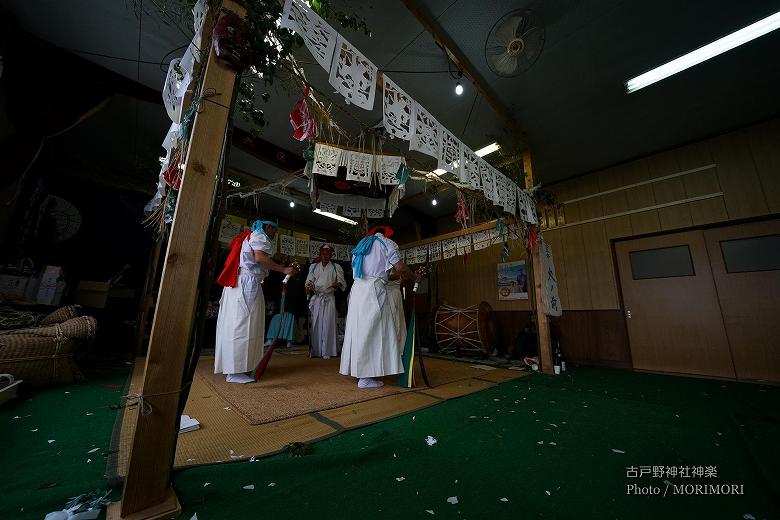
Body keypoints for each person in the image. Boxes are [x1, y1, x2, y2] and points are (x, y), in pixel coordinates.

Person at [214, 219, 296, 384]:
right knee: (241, 325)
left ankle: (239, 367)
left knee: (241, 325)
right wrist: (283, 269)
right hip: (246, 284)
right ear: (267, 227)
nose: (275, 234)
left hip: (243, 283)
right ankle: (234, 372)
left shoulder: (251, 236)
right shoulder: (259, 235)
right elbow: (259, 258)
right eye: (275, 230)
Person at [339, 226, 421, 389]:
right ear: (385, 235)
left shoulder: (362, 244)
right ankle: (365, 377)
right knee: (373, 331)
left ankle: (361, 370)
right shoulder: (386, 243)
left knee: (360, 330)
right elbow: (399, 267)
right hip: (373, 291)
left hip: (357, 290)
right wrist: (414, 276)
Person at [305, 244, 345, 359]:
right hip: (317, 298)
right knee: (316, 324)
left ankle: (328, 350)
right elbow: (308, 281)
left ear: (331, 255)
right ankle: (316, 350)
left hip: (329, 298)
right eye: (324, 254)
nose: (326, 256)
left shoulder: (335, 266)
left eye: (328, 255)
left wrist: (336, 284)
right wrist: (309, 286)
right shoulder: (313, 267)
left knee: (328, 324)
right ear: (320, 255)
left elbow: (341, 282)